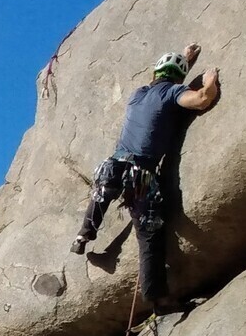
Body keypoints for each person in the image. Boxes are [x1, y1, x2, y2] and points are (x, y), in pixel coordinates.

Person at [72, 46, 221, 307]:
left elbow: (161, 88)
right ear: (178, 78)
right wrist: (210, 81)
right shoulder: (173, 93)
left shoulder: (137, 95)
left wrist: (184, 61)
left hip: (113, 164)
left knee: (102, 195)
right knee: (149, 234)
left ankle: (84, 234)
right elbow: (200, 100)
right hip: (140, 173)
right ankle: (157, 298)